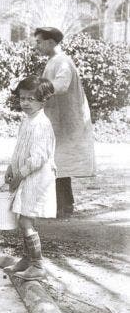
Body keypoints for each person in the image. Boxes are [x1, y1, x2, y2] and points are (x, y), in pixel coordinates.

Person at [34, 27, 95, 218]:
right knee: (57, 161)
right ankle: (65, 205)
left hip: (67, 120)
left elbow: (61, 85)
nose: (37, 46)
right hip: (59, 118)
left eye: (39, 42)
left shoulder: (62, 61)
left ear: (51, 42)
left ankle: (60, 207)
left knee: (57, 162)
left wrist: (36, 90)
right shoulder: (55, 60)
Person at [4, 76, 57, 280]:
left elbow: (38, 158)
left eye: (31, 99)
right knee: (22, 218)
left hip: (37, 178)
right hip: (26, 175)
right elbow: (19, 148)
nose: (25, 103)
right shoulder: (27, 120)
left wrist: (20, 175)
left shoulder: (42, 124)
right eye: (22, 98)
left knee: (26, 220)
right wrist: (11, 166)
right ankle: (27, 259)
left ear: (43, 101)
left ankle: (38, 265)